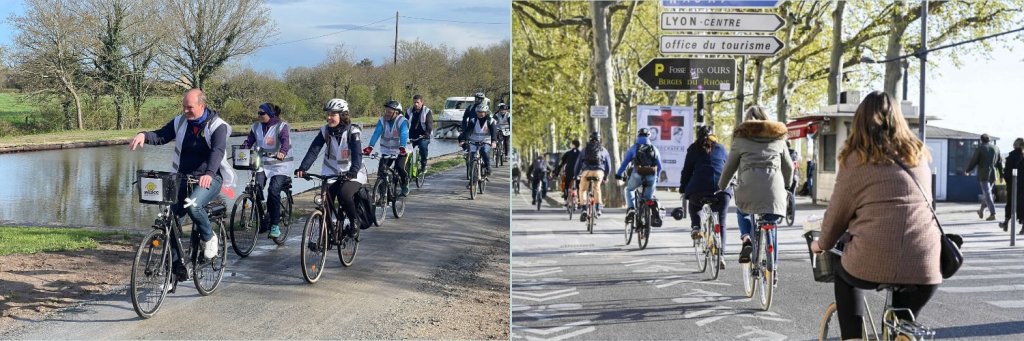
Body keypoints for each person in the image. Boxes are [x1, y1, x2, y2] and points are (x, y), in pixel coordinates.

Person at [810, 91, 941, 341]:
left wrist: (821, 244)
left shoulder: (856, 160)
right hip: (925, 262)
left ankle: (853, 337)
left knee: (843, 274)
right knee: (899, 322)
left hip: (872, 259)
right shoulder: (918, 155)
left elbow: (836, 215)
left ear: (859, 122)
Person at [128, 89, 235, 275]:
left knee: (193, 205)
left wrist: (209, 173)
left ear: (202, 106)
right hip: (183, 177)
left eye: (190, 107)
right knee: (170, 219)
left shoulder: (218, 126)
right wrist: (144, 135)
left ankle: (209, 237)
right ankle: (177, 268)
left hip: (211, 178)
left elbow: (217, 151)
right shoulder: (180, 122)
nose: (185, 111)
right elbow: (162, 135)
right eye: (184, 106)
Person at [719, 105, 792, 264]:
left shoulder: (740, 139)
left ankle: (746, 239)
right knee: (771, 223)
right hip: (774, 190)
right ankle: (773, 268)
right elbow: (789, 167)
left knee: (743, 211)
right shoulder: (778, 138)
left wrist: (722, 186)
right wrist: (787, 186)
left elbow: (729, 167)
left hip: (748, 189)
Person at [295, 98, 368, 237]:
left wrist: (353, 171)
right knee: (325, 202)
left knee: (344, 194)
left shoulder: (353, 131)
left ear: (343, 115)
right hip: (331, 172)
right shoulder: (325, 131)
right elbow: (314, 150)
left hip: (353, 172)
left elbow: (357, 154)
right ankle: (326, 234)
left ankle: (354, 221)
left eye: (333, 114)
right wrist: (303, 168)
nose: (329, 117)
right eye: (328, 114)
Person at [681, 125, 731, 269]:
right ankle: (721, 255)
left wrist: (683, 189)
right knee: (721, 221)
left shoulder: (693, 149)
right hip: (721, 189)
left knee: (694, 204)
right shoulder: (721, 148)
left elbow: (686, 171)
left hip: (699, 189)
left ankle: (696, 226)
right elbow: (729, 167)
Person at [240, 102, 292, 238]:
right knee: (256, 189)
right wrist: (242, 149)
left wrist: (283, 152)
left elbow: (285, 142)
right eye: (258, 113)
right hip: (262, 164)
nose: (259, 115)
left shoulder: (281, 126)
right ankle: (262, 218)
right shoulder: (256, 127)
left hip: (280, 165)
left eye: (262, 113)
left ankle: (275, 225)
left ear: (270, 114)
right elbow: (249, 141)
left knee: (273, 191)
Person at [615, 128, 664, 227]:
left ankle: (631, 209)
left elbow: (625, 163)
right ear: (649, 137)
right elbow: (660, 167)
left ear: (638, 136)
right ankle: (648, 211)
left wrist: (619, 174)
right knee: (648, 198)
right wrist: (656, 177)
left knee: (629, 189)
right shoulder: (654, 149)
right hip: (651, 176)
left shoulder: (634, 148)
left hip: (637, 174)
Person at [366, 100, 411, 196]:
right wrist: (370, 146)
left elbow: (404, 134)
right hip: (387, 150)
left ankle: (405, 183)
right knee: (381, 171)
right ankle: (383, 195)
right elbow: (376, 133)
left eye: (389, 112)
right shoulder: (382, 121)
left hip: (401, 150)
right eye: (386, 111)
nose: (386, 113)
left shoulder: (402, 121)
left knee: (399, 167)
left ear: (397, 113)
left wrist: (402, 147)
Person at [966, 133, 1003, 221]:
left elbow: (974, 160)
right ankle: (981, 211)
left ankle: (993, 213)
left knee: (987, 194)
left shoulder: (980, 148)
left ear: (981, 140)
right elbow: (1000, 163)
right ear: (989, 140)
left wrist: (968, 170)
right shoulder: (996, 148)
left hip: (984, 174)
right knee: (987, 193)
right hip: (993, 174)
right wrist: (1001, 175)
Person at [574, 132, 611, 220]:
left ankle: (584, 209)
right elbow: (608, 166)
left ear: (590, 139)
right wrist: (606, 176)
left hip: (586, 172)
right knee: (597, 188)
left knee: (583, 189)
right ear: (599, 139)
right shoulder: (603, 150)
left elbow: (578, 164)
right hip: (598, 172)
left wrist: (576, 175)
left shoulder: (584, 150)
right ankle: (598, 209)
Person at [458, 103, 498, 179]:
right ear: (476, 112)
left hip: (486, 141)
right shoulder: (473, 121)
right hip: (474, 141)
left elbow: (494, 132)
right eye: (478, 112)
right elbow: (468, 132)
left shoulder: (490, 121)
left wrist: (493, 141)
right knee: (472, 156)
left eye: (482, 112)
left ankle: (488, 167)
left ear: (486, 112)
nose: (480, 114)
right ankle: (473, 178)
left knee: (484, 151)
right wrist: (463, 140)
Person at [1000, 138, 1024, 232]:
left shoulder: (1012, 156)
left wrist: (1008, 180)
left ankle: (1006, 222)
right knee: (1022, 204)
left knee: (1010, 203)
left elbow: (1007, 171)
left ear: (1016, 145)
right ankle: (1023, 226)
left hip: (1013, 184)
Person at [405, 94, 433, 173]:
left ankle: (423, 165)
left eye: (418, 102)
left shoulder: (427, 111)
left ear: (422, 102)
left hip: (423, 135)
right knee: (404, 150)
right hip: (411, 135)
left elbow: (429, 125)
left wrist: (426, 134)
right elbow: (404, 124)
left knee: (423, 147)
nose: (416, 104)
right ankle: (405, 167)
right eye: (414, 102)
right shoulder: (409, 111)